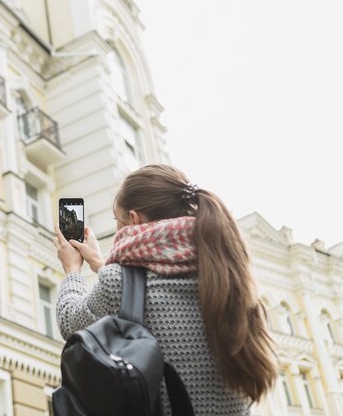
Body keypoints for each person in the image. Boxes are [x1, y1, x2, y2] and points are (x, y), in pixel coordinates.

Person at [53, 164, 277, 415]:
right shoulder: (229, 277)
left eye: (118, 220)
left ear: (134, 220)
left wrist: (73, 269)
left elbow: (70, 323)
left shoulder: (119, 282)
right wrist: (99, 264)